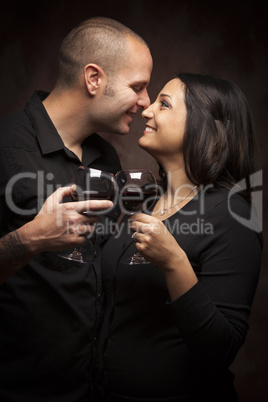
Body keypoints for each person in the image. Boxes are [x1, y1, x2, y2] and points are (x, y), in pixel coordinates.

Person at [0, 17, 152, 401]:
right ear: (93, 78)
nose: (146, 102)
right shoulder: (5, 146)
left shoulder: (107, 156)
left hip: (90, 386)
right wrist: (29, 240)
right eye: (138, 87)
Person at [95, 73, 263, 401]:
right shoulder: (141, 200)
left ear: (207, 129)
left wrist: (174, 263)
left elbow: (220, 350)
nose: (146, 111)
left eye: (164, 104)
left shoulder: (232, 215)